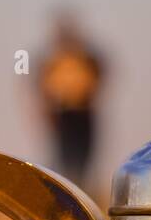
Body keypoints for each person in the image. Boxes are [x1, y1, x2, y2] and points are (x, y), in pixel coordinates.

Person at [37, 11, 105, 190]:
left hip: (82, 114)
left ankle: (80, 193)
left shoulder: (86, 59)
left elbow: (98, 78)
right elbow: (42, 87)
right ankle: (66, 191)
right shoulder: (53, 62)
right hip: (64, 115)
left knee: (83, 161)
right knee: (65, 159)